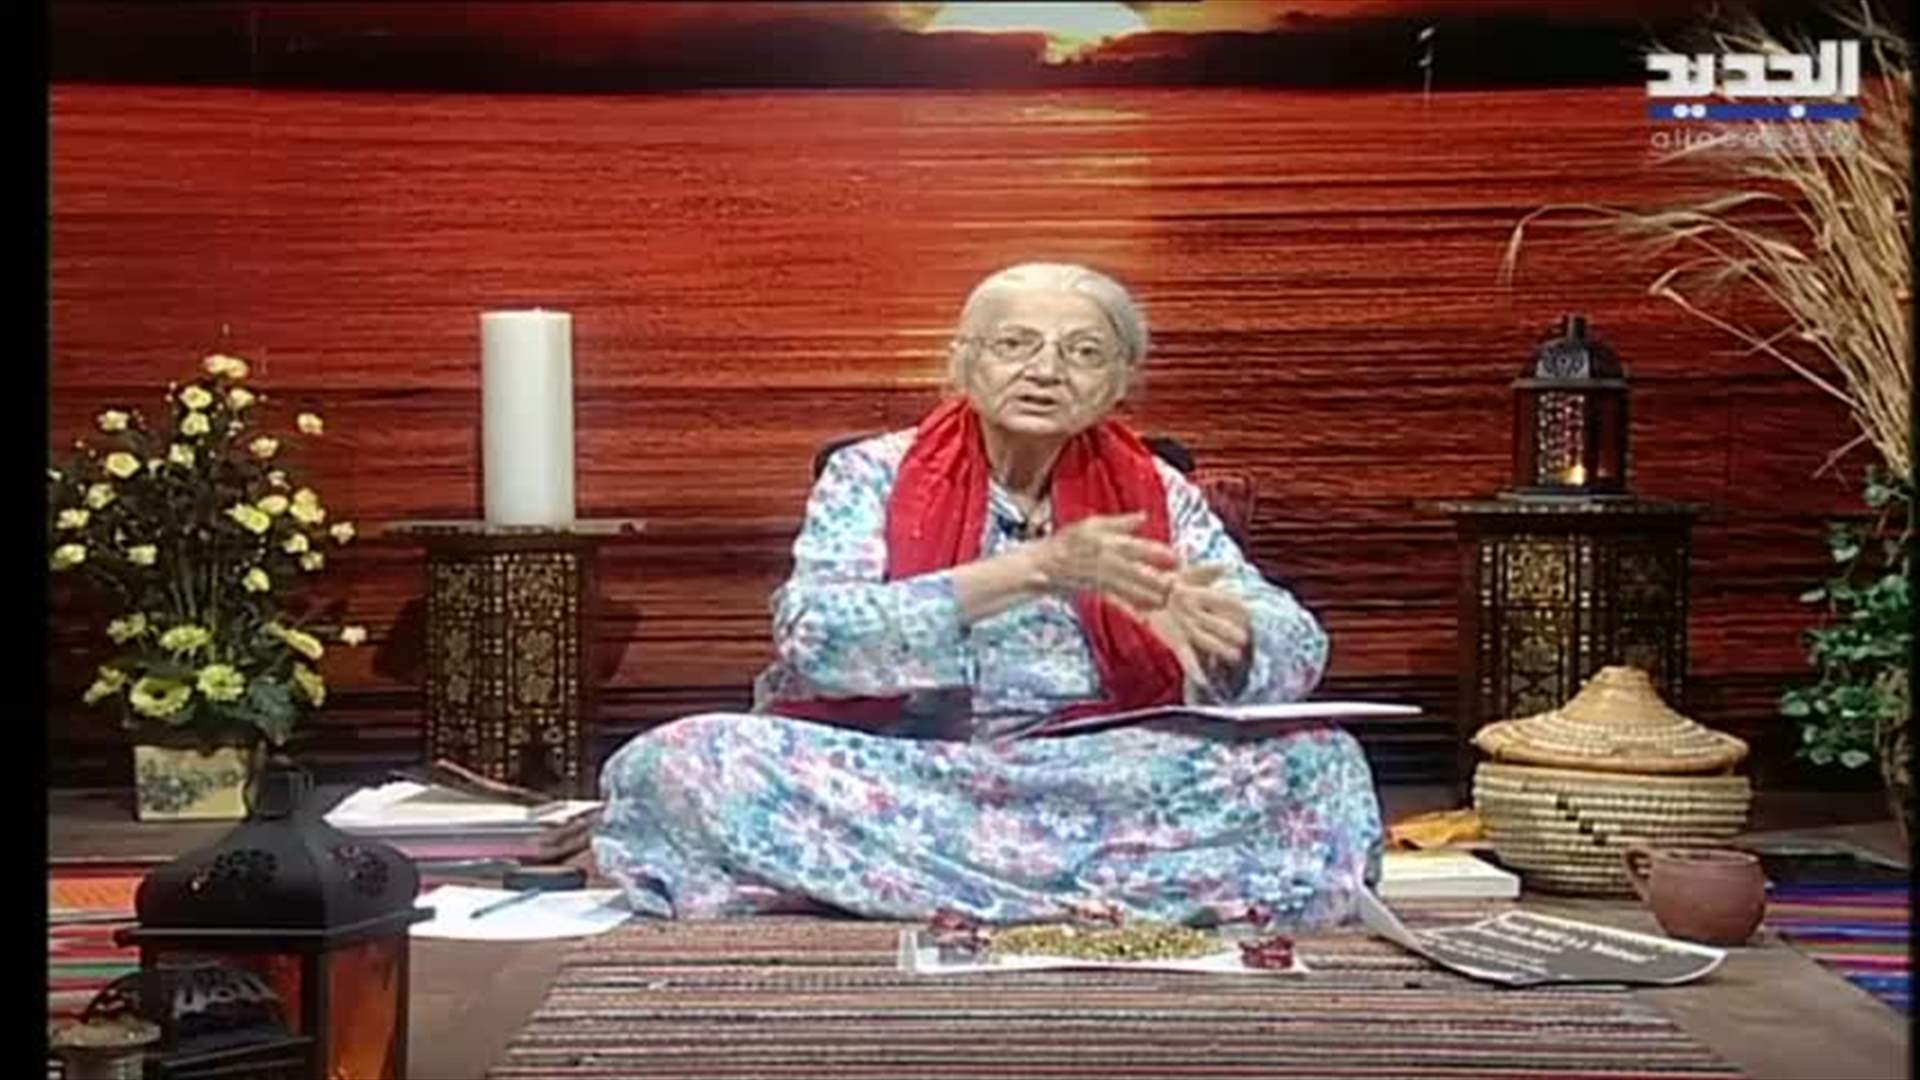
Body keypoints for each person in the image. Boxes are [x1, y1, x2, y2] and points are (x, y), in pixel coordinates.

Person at [592, 262, 1383, 927]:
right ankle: (1114, 892)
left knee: (1321, 760)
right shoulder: (871, 474)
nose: (1046, 370)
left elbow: (1294, 640)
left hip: (1095, 774)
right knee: (681, 762)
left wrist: (1230, 636)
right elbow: (817, 638)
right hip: (901, 766)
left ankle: (899, 887)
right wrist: (1033, 570)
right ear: (963, 364)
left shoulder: (1157, 491)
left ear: (1118, 383)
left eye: (1083, 352)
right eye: (1015, 344)